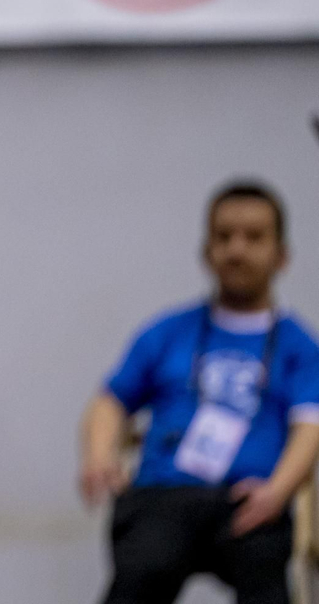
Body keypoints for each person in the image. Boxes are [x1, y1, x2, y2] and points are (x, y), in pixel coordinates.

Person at [80, 181, 319, 604]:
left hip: (251, 500)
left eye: (254, 237)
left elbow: (310, 426)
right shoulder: (167, 331)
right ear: (206, 251)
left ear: (281, 255)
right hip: (165, 496)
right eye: (223, 236)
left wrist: (278, 491)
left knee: (266, 583)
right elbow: (110, 401)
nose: (237, 250)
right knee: (141, 573)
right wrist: (100, 456)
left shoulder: (300, 346)